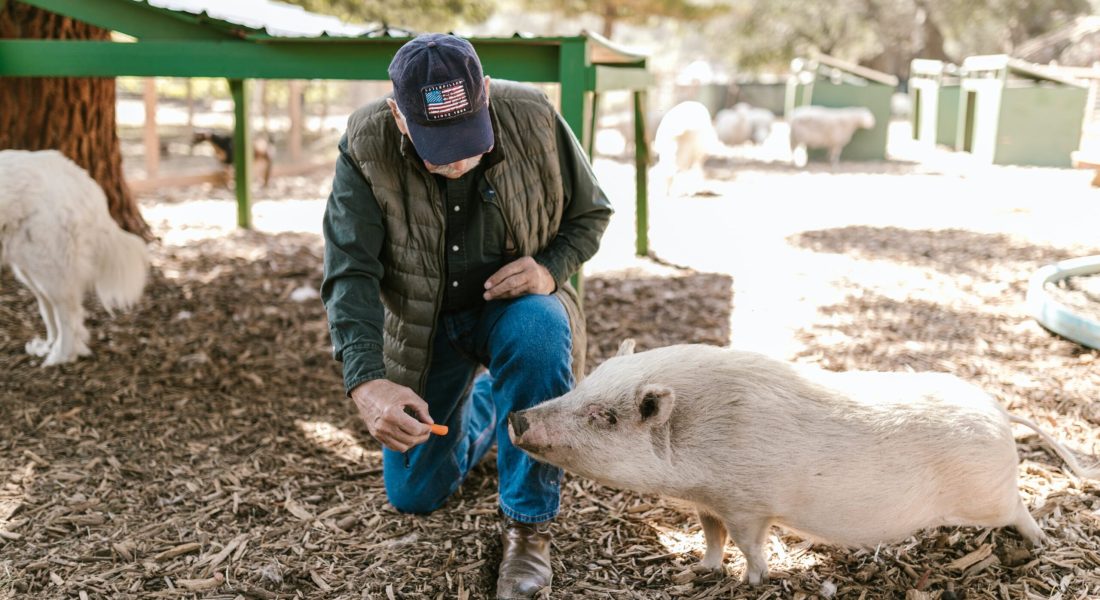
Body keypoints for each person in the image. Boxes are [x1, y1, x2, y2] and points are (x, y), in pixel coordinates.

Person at [321, 33, 612, 599]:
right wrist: (366, 382)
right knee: (413, 494)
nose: (456, 159)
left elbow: (591, 213)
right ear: (398, 117)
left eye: (468, 138)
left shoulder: (530, 112)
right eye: (438, 143)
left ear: (482, 94)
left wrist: (550, 269)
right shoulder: (365, 142)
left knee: (539, 331)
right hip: (424, 328)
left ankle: (529, 529)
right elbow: (350, 271)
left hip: (515, 312)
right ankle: (487, 409)